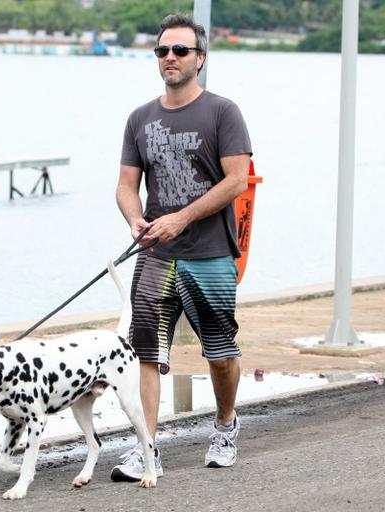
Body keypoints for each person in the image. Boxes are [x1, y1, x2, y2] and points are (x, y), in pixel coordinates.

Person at [112, 13, 252, 481]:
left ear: (200, 58)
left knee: (220, 352)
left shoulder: (222, 112)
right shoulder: (140, 117)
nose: (169, 58)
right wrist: (136, 218)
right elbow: (126, 186)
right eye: (162, 51)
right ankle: (148, 447)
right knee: (145, 352)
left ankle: (226, 425)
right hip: (155, 255)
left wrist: (182, 217)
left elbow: (236, 181)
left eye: (180, 51)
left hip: (209, 252)